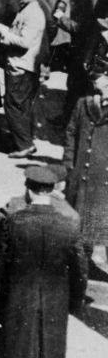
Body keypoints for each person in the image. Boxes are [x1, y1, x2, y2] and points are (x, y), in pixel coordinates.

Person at [0, 165, 87, 358]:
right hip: (55, 304)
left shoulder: (14, 222)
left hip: (18, 301)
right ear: (53, 190)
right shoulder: (70, 224)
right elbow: (80, 271)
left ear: (28, 190)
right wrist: (74, 303)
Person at [0, 0, 46, 157]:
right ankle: (24, 139)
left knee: (13, 105)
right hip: (22, 65)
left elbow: (24, 41)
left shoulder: (34, 14)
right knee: (22, 106)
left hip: (21, 66)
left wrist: (3, 34)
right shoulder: (28, 9)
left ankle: (24, 145)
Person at [63, 72, 108, 269]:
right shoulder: (83, 104)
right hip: (80, 171)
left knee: (98, 218)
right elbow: (71, 132)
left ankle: (94, 260)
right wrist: (68, 163)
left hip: (102, 176)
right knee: (76, 216)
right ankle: (76, 259)